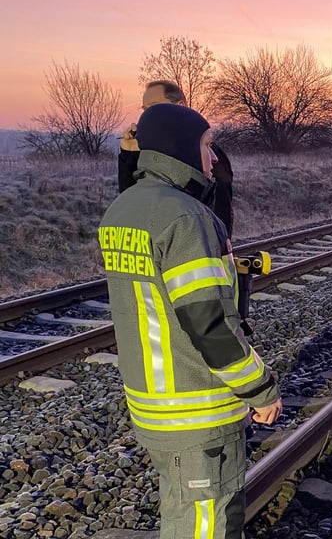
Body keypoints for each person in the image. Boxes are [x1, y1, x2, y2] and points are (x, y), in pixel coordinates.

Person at [99, 103, 282, 538]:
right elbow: (210, 324)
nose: (214, 157)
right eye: (206, 144)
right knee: (206, 527)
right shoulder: (186, 218)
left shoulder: (122, 210)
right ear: (179, 149)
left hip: (152, 403)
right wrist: (260, 389)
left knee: (182, 517)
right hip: (197, 411)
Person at [119, 80, 235, 238]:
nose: (147, 115)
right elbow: (132, 206)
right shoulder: (149, 154)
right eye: (145, 109)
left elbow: (219, 222)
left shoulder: (209, 157)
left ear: (180, 106)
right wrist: (129, 156)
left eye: (155, 106)